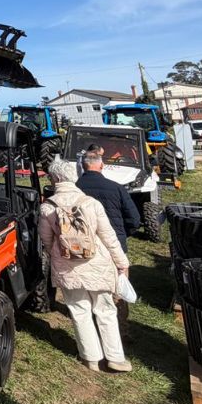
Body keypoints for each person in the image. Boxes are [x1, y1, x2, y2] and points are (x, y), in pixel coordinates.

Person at [39, 158, 132, 373]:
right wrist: (122, 263)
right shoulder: (91, 203)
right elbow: (109, 237)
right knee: (105, 310)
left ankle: (90, 358)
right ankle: (115, 358)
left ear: (55, 179)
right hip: (97, 263)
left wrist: (58, 253)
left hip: (67, 266)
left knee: (79, 310)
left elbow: (46, 240)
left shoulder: (47, 207)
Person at [77, 146, 140, 337]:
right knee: (117, 288)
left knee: (88, 288)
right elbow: (134, 219)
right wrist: (122, 235)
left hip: (84, 246)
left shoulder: (76, 190)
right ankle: (120, 330)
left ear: (83, 166)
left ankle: (92, 328)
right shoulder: (116, 188)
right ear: (101, 166)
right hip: (114, 247)